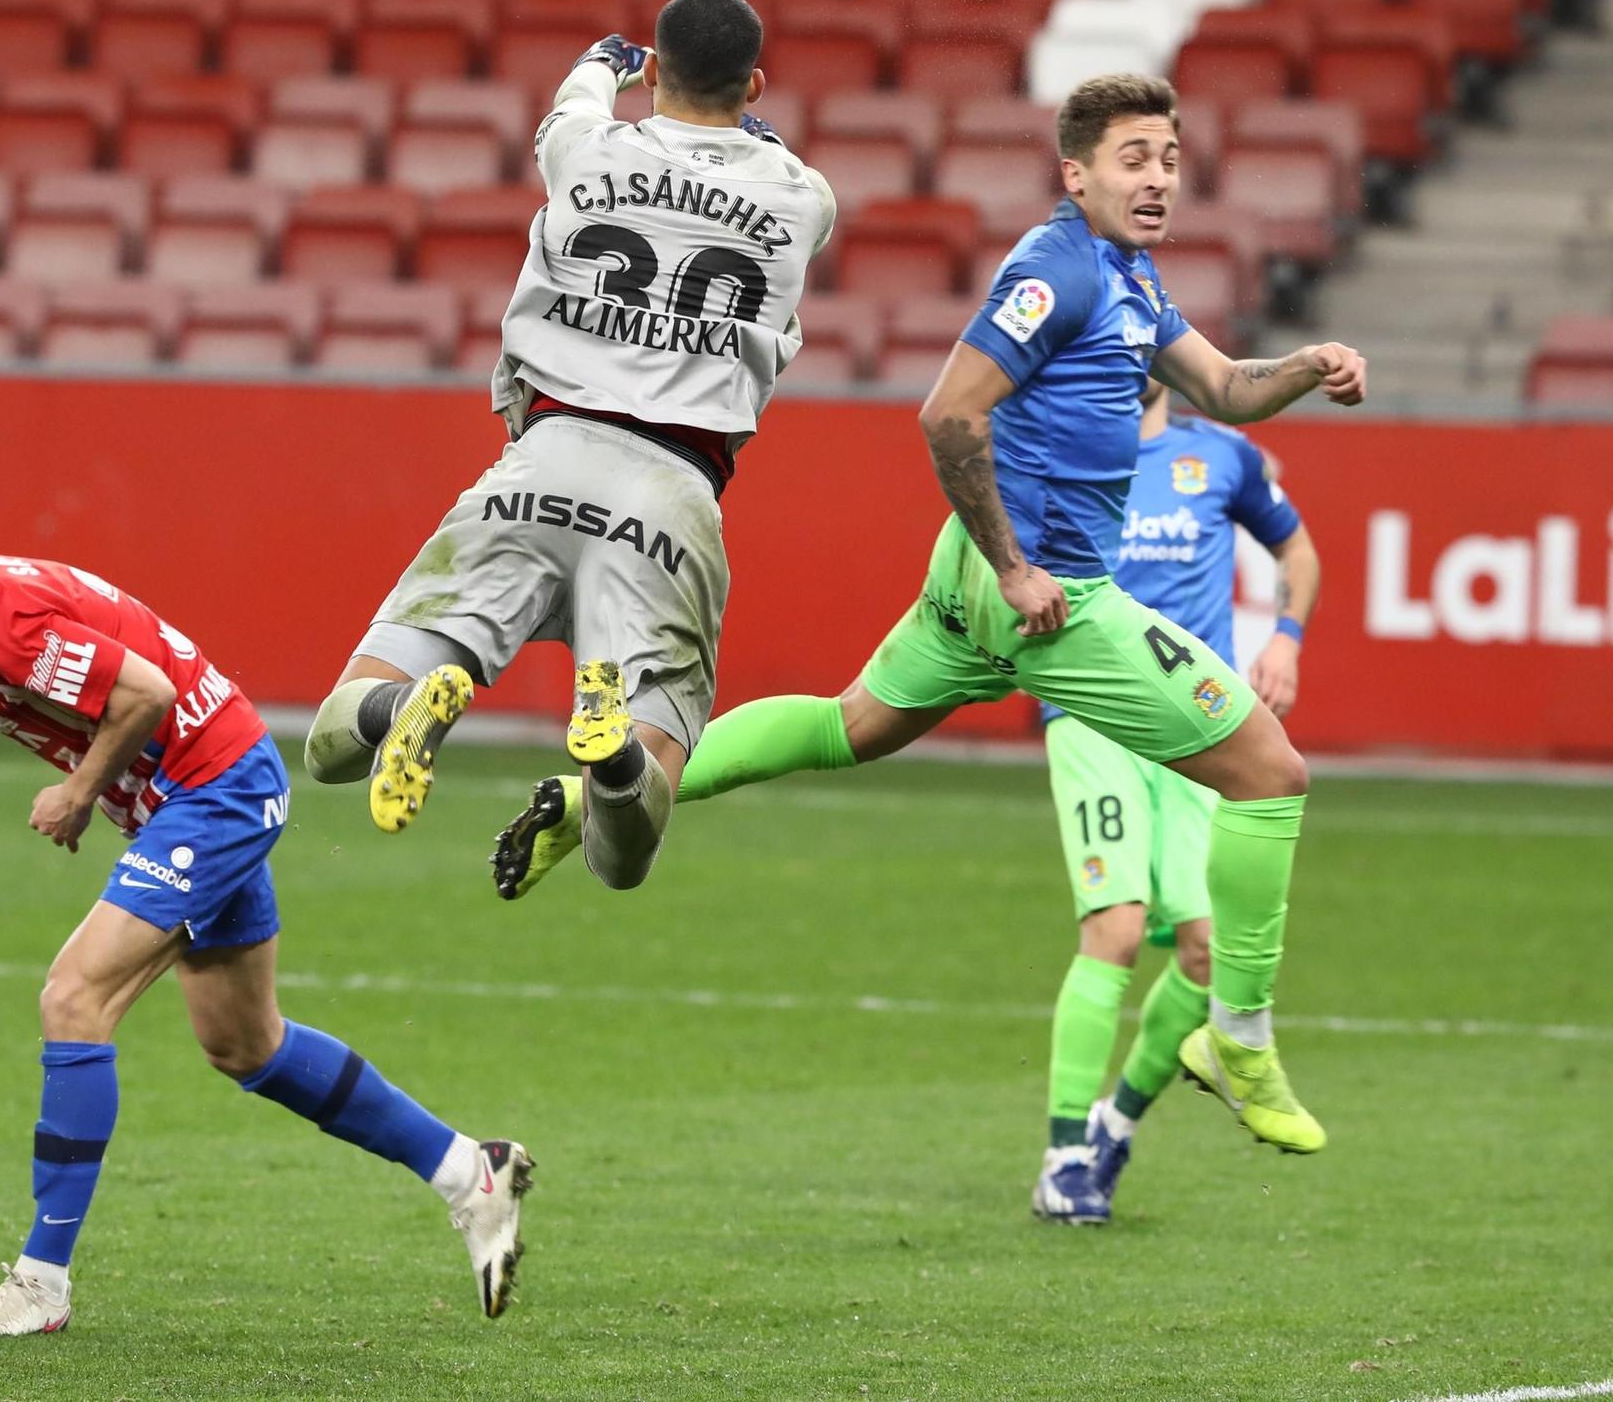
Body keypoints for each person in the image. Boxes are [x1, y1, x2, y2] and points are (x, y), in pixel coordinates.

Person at [498, 74, 1365, 1164]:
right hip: (1043, 597)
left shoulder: (1129, 279)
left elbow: (1229, 389)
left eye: (1168, 158)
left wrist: (1306, 368)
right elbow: (947, 412)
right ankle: (1235, 1039)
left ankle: (588, 799)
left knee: (845, 725)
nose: (1155, 178)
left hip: (978, 581)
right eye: (1133, 159)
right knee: (1269, 772)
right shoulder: (1055, 268)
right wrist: (1013, 569)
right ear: (1076, 173)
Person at [0, 491, 532, 1337]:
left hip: (212, 793)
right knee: (246, 1044)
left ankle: (41, 1281)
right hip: (214, 787)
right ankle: (471, 1171)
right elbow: (10, 683)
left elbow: (138, 691)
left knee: (74, 996)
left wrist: (77, 791)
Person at [300, 0, 836, 903]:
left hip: (541, 462)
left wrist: (606, 61)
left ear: (656, 72)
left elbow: (574, 97)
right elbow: (765, 159)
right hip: (673, 491)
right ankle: (617, 752)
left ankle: (409, 706)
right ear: (753, 85)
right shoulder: (803, 200)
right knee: (623, 852)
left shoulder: (585, 149)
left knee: (334, 738)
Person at [1033, 377, 1321, 1224]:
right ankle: (1061, 1156)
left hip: (1199, 731)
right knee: (1116, 928)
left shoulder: (1219, 456)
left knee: (1205, 952)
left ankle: (1111, 1129)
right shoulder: (1063, 451)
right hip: (1092, 717)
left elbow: (1298, 552)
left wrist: (1286, 641)